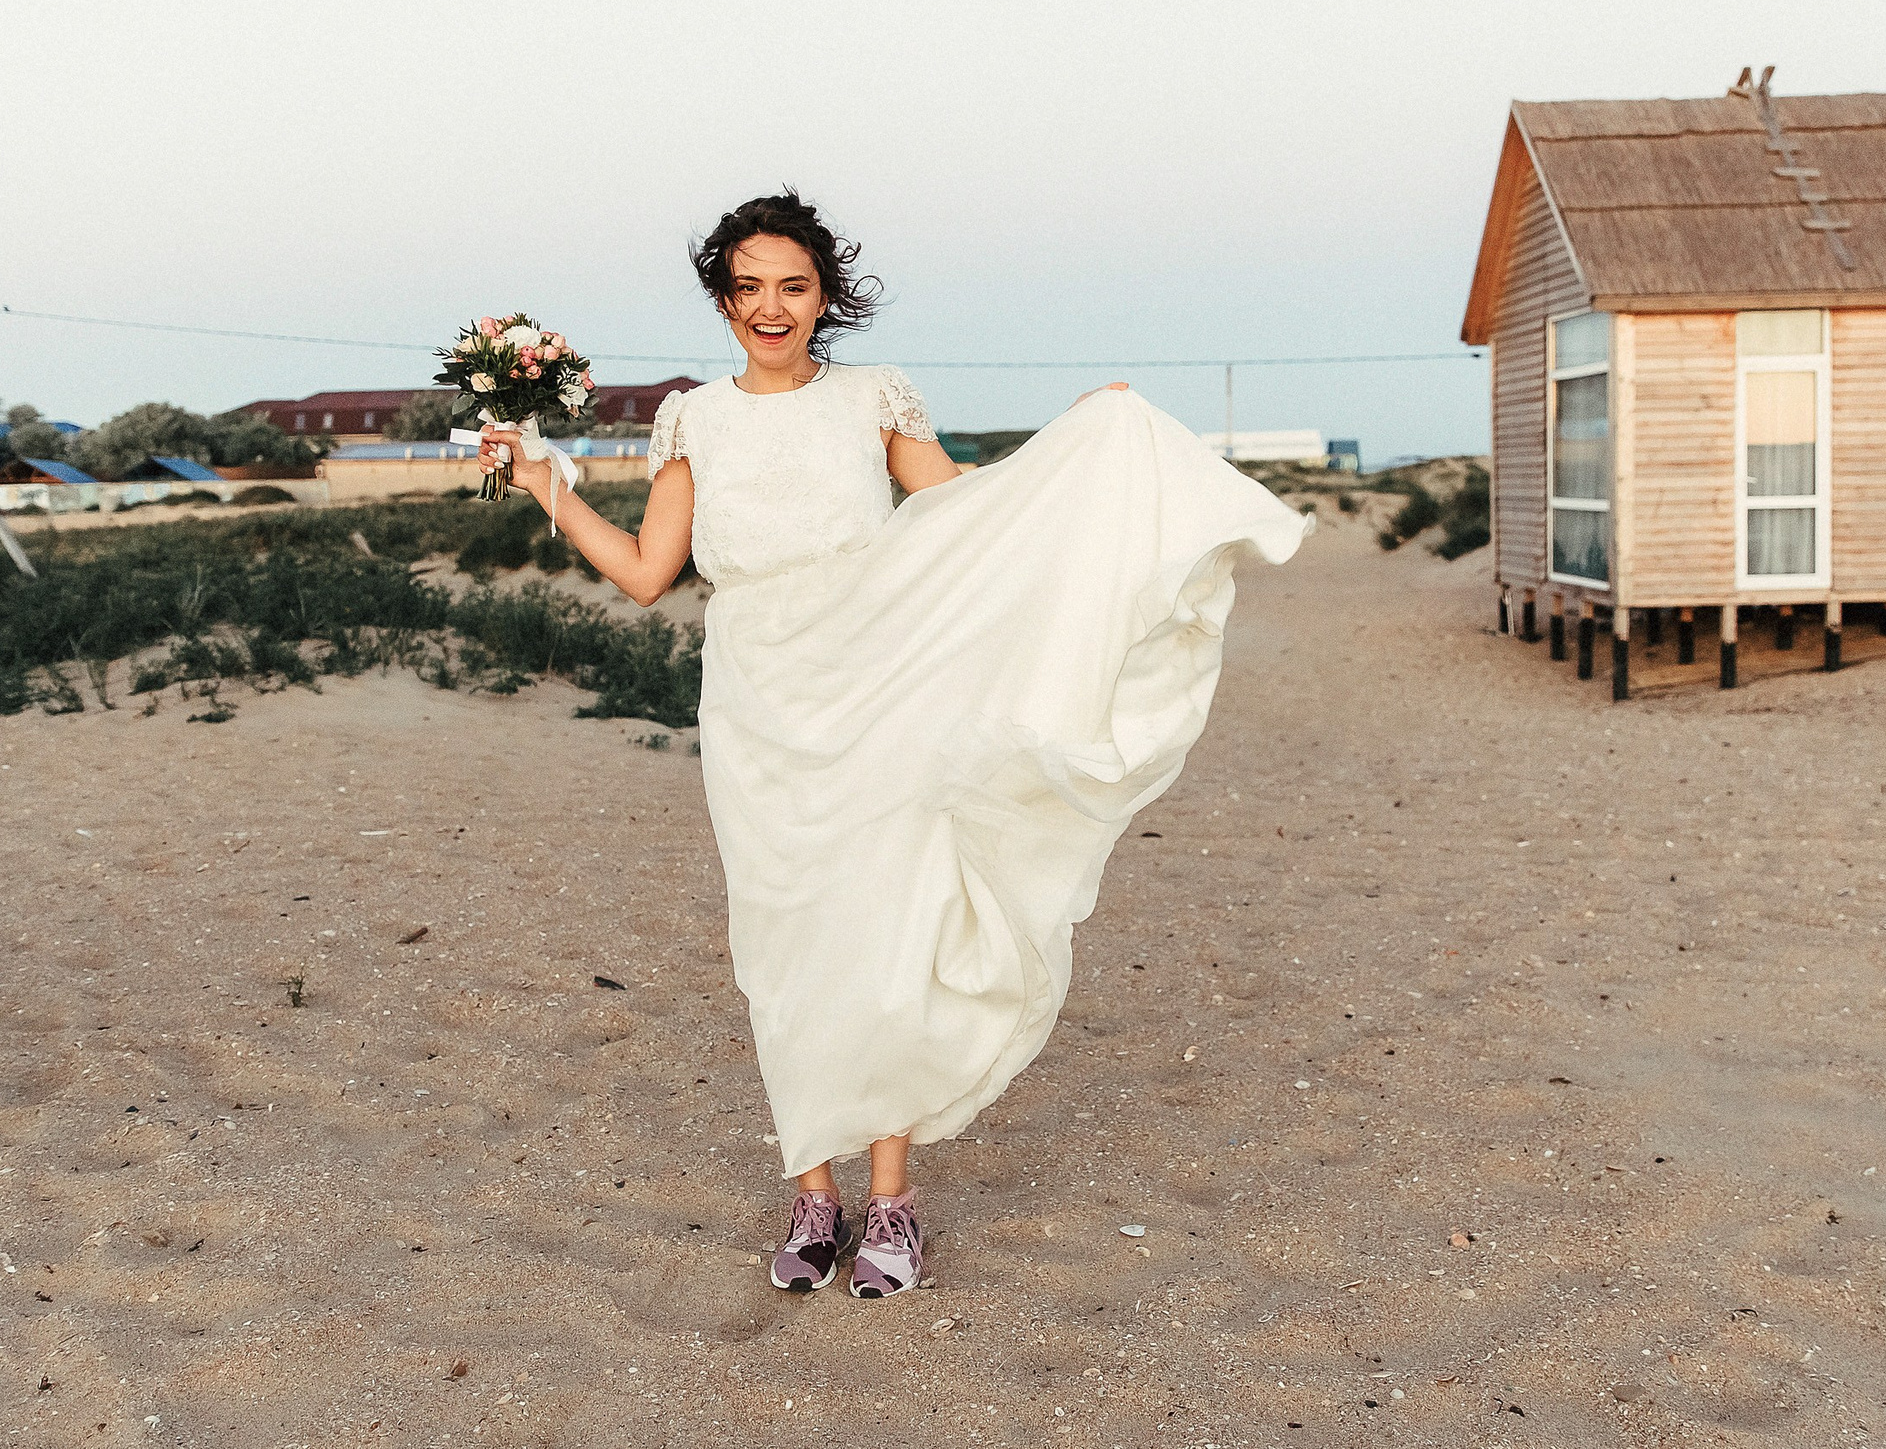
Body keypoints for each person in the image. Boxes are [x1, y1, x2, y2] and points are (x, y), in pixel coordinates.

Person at [480, 190, 1307, 1299]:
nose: (772, 307)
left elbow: (968, 512)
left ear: (825, 296)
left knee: (885, 925)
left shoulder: (873, 397)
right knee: (782, 940)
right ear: (723, 300)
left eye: (794, 285)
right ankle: (812, 1195)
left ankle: (892, 1200)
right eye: (749, 287)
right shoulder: (693, 419)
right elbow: (644, 573)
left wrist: (1077, 441)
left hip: (880, 680)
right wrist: (545, 484)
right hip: (758, 701)